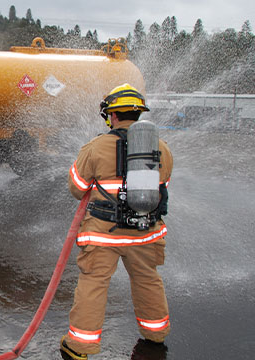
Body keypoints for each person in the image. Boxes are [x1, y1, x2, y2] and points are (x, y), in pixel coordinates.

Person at [60, 84, 173, 360]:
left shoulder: (96, 147)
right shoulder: (161, 148)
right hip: (145, 233)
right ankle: (155, 333)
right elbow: (163, 185)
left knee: (94, 283)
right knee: (147, 279)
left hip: (103, 233)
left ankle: (79, 347)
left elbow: (77, 187)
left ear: (112, 115)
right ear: (138, 114)